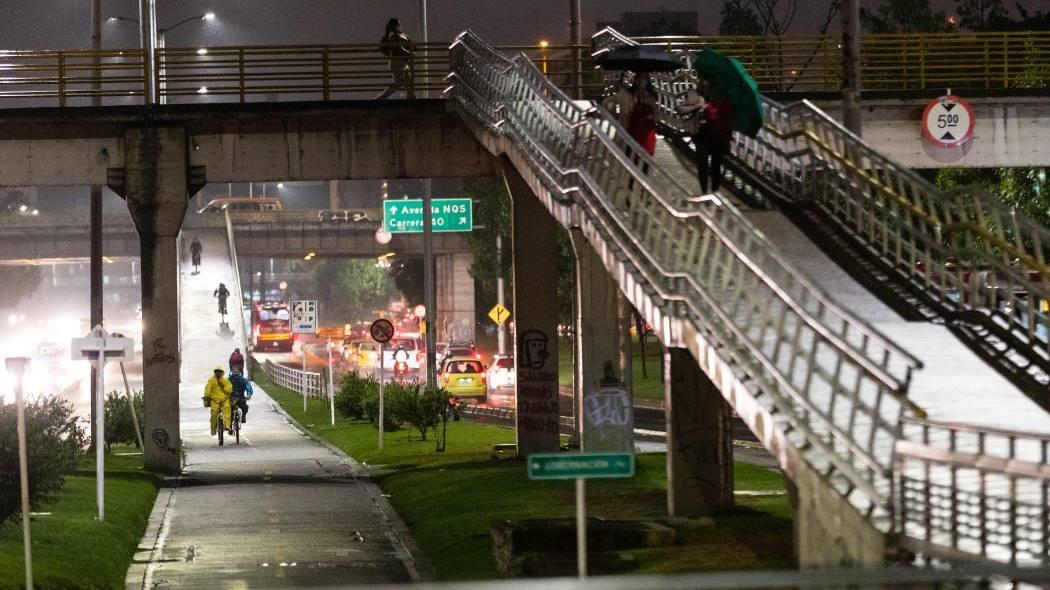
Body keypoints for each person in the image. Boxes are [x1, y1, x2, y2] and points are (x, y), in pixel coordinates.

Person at [679, 79, 733, 193]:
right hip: (701, 134)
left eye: (708, 87)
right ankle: (704, 190)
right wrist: (697, 106)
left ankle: (715, 189)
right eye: (703, 87)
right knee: (702, 161)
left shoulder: (720, 97)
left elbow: (726, 115)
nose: (706, 89)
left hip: (717, 134)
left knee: (716, 164)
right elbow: (680, 109)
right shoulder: (695, 95)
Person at [377, 18, 416, 99]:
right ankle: (382, 97)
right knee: (401, 82)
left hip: (403, 62)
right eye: (397, 25)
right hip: (397, 61)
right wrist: (409, 53)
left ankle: (411, 98)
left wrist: (411, 53)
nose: (399, 27)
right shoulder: (394, 37)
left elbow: (412, 47)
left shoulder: (403, 35)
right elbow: (398, 47)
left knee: (408, 80)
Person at [625, 74, 658, 157]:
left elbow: (653, 112)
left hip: (646, 126)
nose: (641, 82)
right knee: (631, 152)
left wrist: (645, 99)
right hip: (633, 125)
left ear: (647, 81)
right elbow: (628, 109)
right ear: (635, 80)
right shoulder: (630, 93)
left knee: (646, 150)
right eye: (638, 79)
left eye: (644, 79)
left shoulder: (651, 95)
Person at [204, 367, 233, 436]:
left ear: (222, 372)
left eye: (219, 371)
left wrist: (223, 388)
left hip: (224, 400)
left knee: (227, 409)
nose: (218, 373)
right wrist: (206, 396)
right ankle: (213, 427)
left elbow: (229, 390)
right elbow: (207, 389)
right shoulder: (211, 380)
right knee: (214, 412)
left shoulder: (225, 380)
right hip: (215, 400)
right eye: (217, 371)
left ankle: (227, 426)